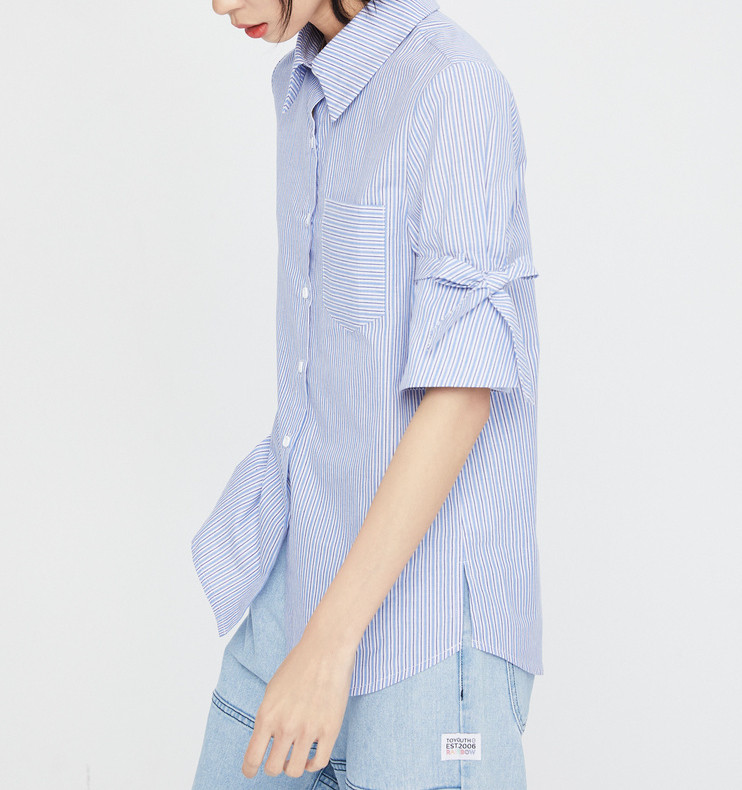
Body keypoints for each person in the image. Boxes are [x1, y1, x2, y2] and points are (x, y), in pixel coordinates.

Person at [191, 0, 542, 787]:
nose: (218, 4)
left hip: (427, 638)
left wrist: (330, 643)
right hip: (300, 573)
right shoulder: (302, 90)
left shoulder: (453, 87)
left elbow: (462, 394)